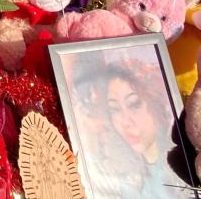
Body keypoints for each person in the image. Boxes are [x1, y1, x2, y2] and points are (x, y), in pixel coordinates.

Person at [73, 57, 190, 199]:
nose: (125, 121)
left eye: (134, 104)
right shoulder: (125, 181)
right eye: (114, 109)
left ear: (156, 102)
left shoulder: (184, 166)